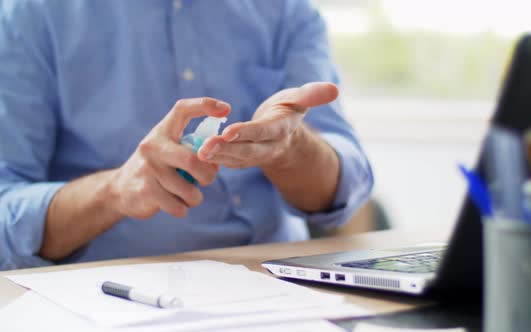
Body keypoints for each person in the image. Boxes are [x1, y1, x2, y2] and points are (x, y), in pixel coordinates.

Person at [0, 0, 374, 270]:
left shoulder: (288, 11)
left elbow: (343, 191)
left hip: (278, 286)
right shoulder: (29, 16)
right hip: (108, 294)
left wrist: (291, 148)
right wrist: (114, 191)